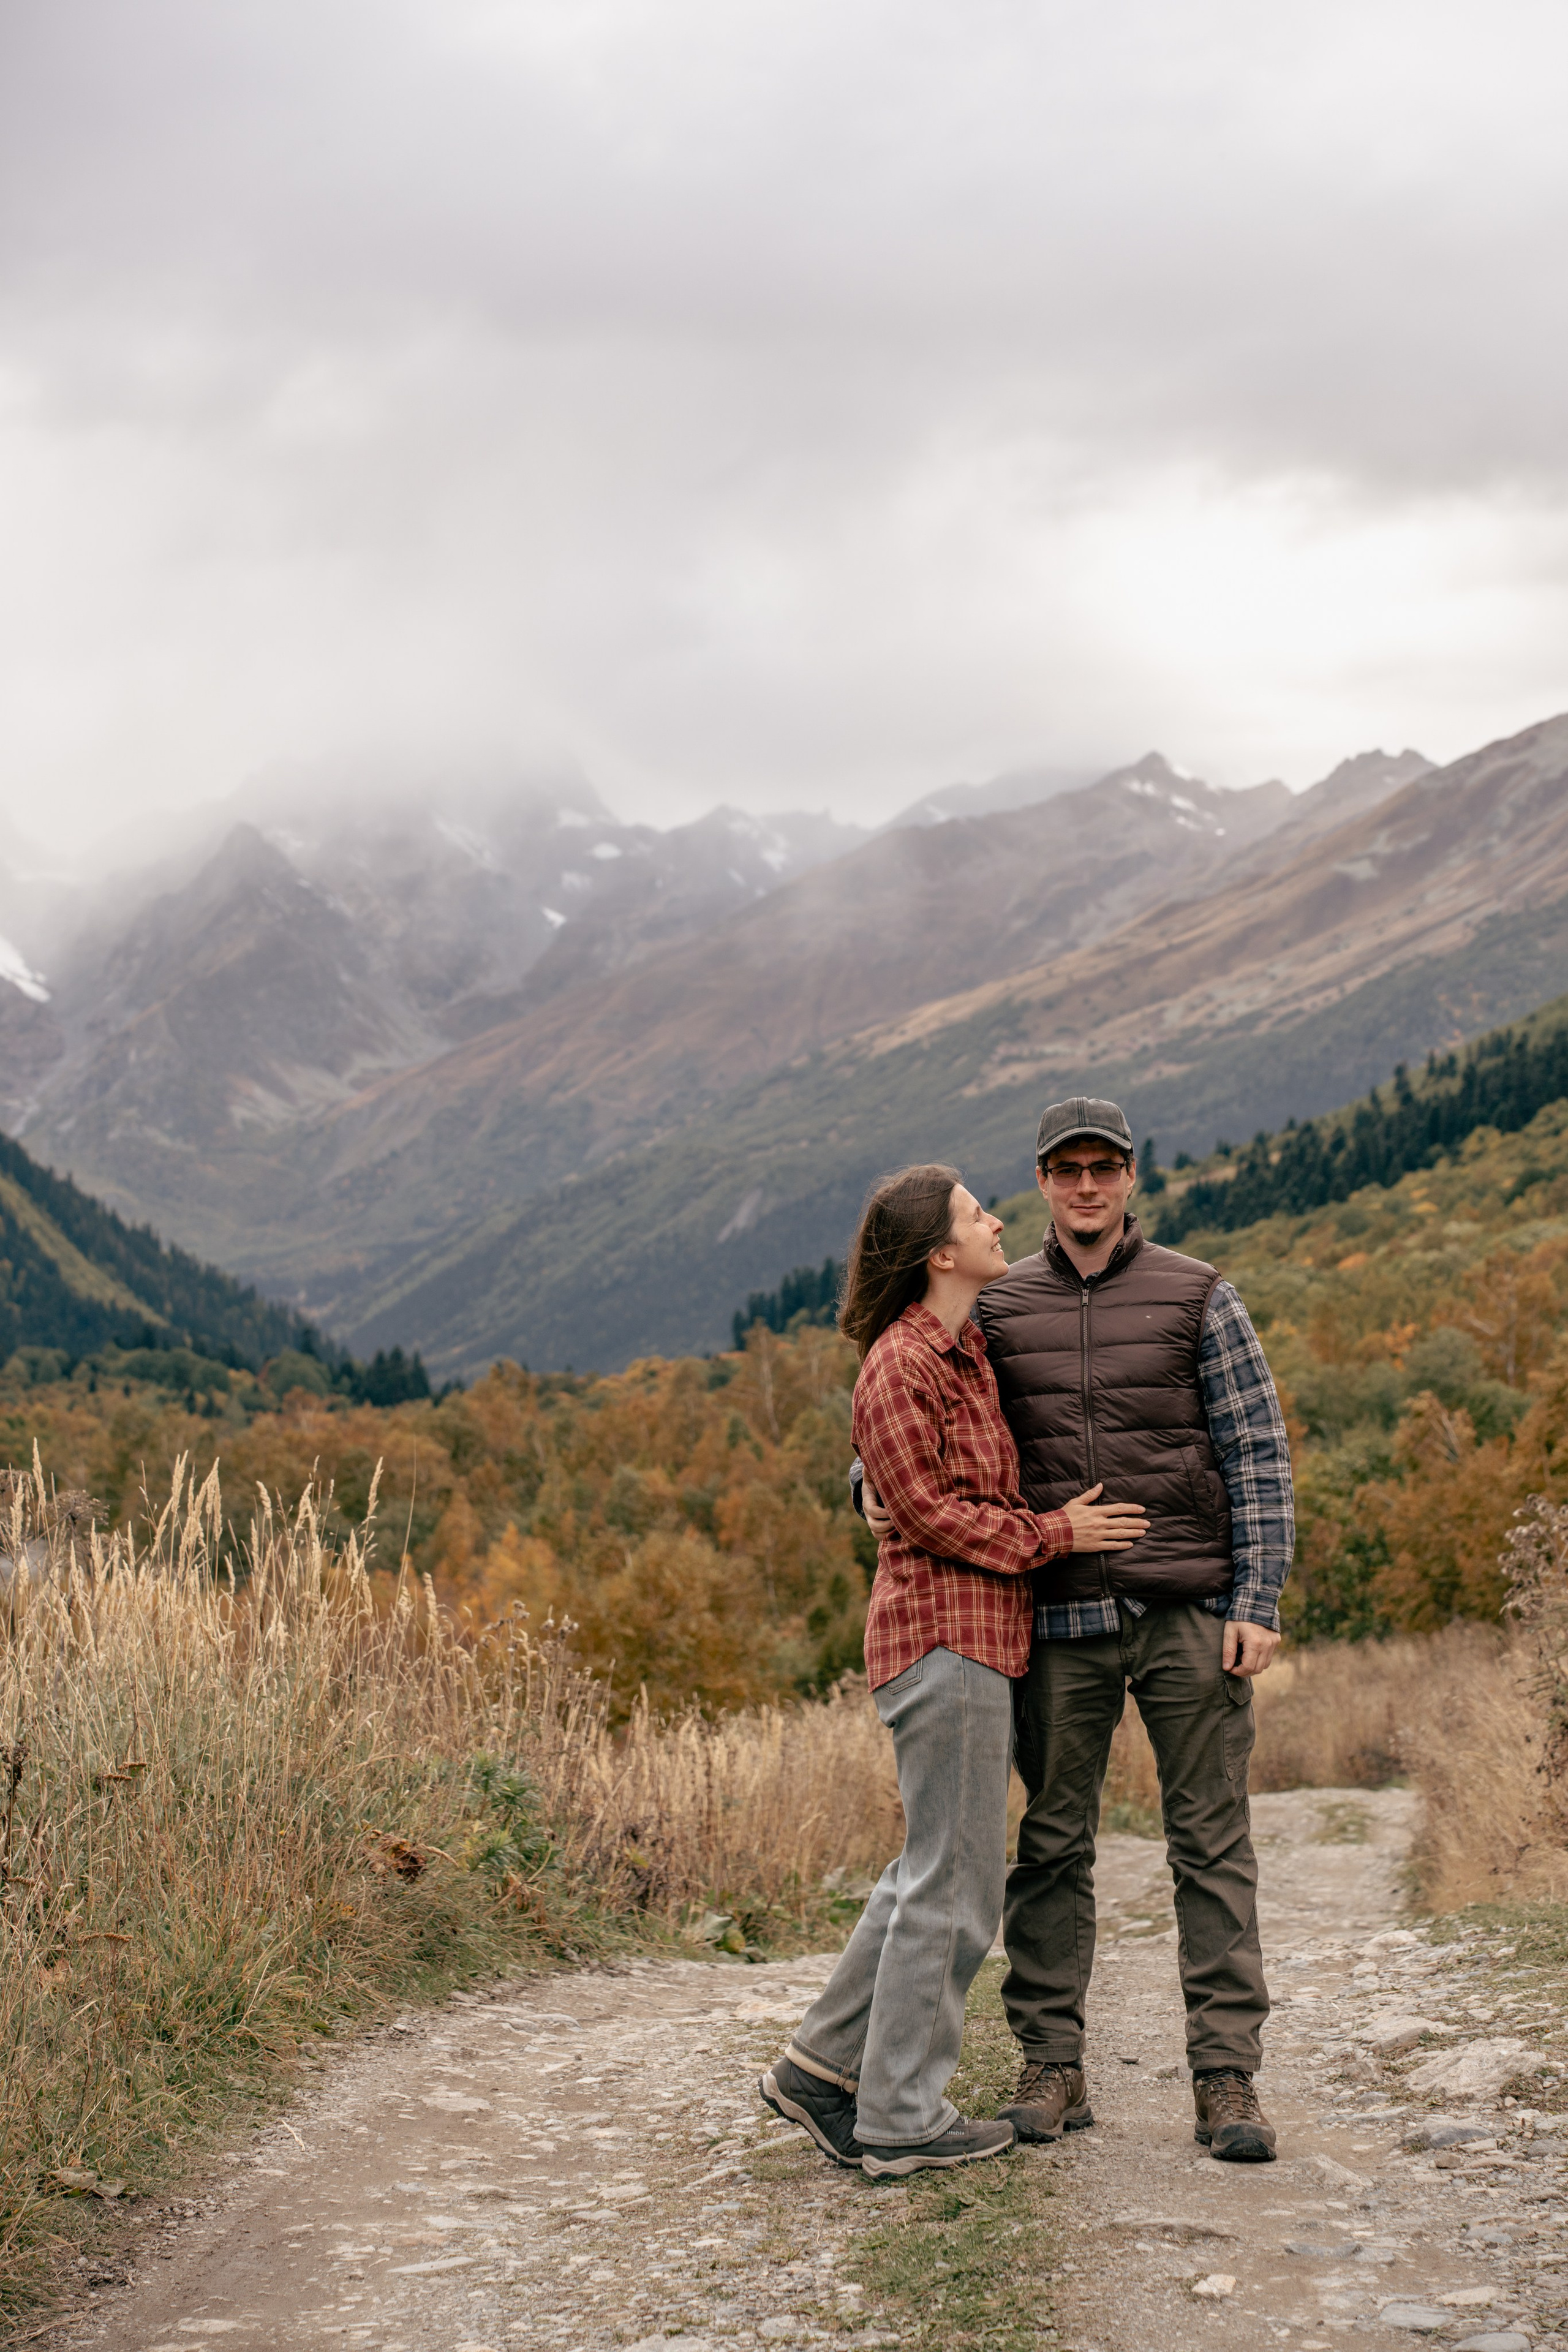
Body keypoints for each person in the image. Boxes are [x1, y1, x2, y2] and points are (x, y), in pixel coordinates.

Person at [862, 1098, 1294, 2165]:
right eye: (1068, 1170)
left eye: (1105, 1168)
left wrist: (1257, 1600)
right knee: (1052, 1847)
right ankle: (1052, 2066)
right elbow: (912, 1415)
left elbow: (1258, 1453)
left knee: (1214, 1843)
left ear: (1133, 1177)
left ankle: (1226, 2078)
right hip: (1055, 1620)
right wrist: (860, 1485)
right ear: (1044, 1182)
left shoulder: (1199, 1295)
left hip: (1188, 1610)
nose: (1088, 1186)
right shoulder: (1000, 1308)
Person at [758, 1162, 1148, 2180]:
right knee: (957, 1889)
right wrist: (1055, 1534)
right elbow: (925, 1510)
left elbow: (915, 1486)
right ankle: (900, 2117)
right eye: (979, 1214)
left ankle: (818, 2068)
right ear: (939, 1251)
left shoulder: (968, 1347)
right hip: (942, 1640)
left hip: (979, 1642)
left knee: (924, 1874)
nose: (997, 1221)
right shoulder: (901, 1363)